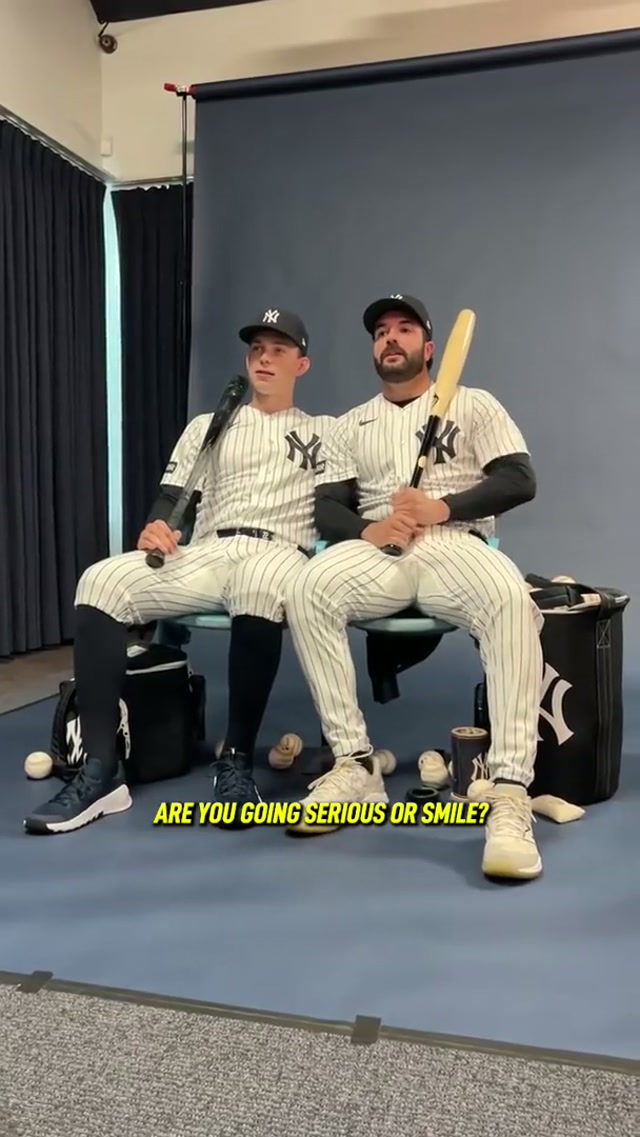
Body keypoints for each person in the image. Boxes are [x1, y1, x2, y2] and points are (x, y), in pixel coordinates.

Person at [24, 309, 334, 835]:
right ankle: (100, 770)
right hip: (210, 549)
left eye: (278, 349)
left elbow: (344, 502)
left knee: (260, 585)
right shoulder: (208, 426)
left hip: (280, 551)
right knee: (100, 581)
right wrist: (156, 527)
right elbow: (173, 498)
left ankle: (235, 760)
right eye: (257, 347)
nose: (264, 356)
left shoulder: (327, 432)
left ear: (301, 364)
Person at [284, 294, 545, 881]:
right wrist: (368, 528)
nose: (391, 338)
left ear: (429, 348)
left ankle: (508, 791)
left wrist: (440, 505)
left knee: (509, 598)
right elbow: (326, 506)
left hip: (455, 542)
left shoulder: (473, 404)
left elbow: (519, 478)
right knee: (308, 587)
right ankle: (355, 766)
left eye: (404, 329)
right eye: (381, 331)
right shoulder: (353, 422)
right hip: (381, 550)